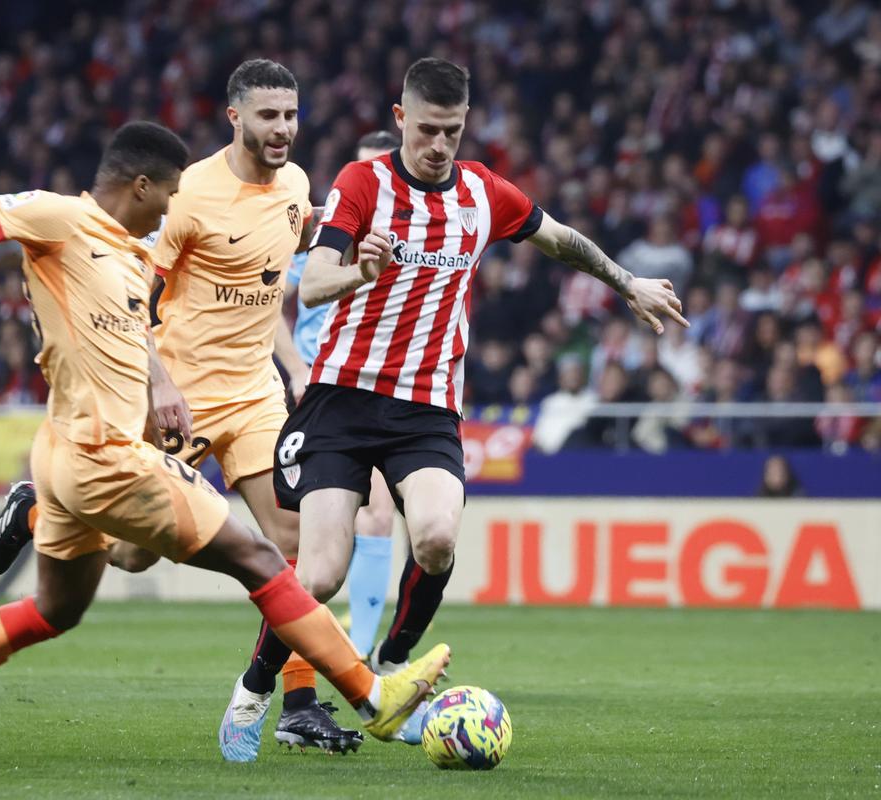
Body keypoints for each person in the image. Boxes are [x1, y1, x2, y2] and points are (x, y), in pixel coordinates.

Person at [0, 122, 450, 770]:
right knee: (263, 559)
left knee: (57, 610)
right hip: (104, 458)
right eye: (168, 195)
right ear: (141, 185)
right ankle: (371, 698)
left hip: (68, 456)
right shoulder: (56, 218)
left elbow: (136, 325)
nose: (172, 209)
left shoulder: (129, 250)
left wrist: (160, 385)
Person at [233, 57, 688, 748]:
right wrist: (363, 268)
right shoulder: (364, 183)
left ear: (465, 124)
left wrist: (627, 283)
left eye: (451, 131)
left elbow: (560, 239)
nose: (438, 145)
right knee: (320, 571)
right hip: (343, 400)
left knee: (439, 537)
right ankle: (255, 688)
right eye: (426, 131)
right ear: (400, 121)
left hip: (426, 409)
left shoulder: (482, 192)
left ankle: (390, 667)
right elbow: (315, 281)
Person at [0, 60, 363, 757]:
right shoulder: (188, 198)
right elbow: (133, 297)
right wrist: (156, 383)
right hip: (181, 394)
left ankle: (298, 703)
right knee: (128, 556)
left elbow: (294, 239)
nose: (283, 129)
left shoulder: (300, 186)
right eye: (269, 116)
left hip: (255, 397)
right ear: (235, 117)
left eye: (292, 115)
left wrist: (348, 249)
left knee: (299, 545)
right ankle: (37, 506)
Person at [285, 130, 402, 660]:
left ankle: (357, 651)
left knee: (378, 515)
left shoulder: (413, 237)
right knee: (302, 540)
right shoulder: (323, 239)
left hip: (374, 388)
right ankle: (299, 650)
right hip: (316, 389)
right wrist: (294, 368)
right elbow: (267, 308)